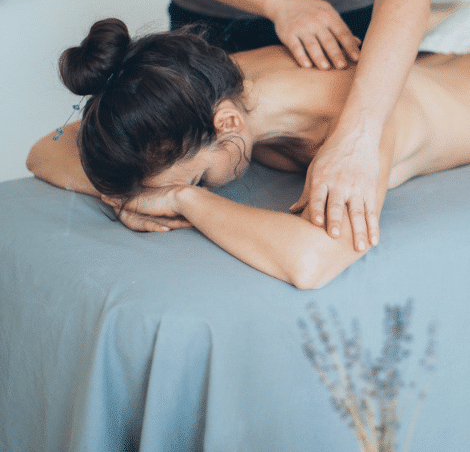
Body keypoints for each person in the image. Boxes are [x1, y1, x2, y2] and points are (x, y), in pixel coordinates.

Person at [27, 18, 470, 289]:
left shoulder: (356, 125)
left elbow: (313, 262)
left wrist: (184, 198)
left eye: (197, 176)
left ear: (227, 125)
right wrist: (130, 194)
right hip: (437, 58)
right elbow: (44, 150)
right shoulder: (214, 86)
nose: (189, 186)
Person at [146, 0, 455, 249]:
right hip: (220, 4)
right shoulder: (231, 114)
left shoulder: (337, 109)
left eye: (199, 180)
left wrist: (357, 137)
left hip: (347, 22)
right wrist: (280, 0)